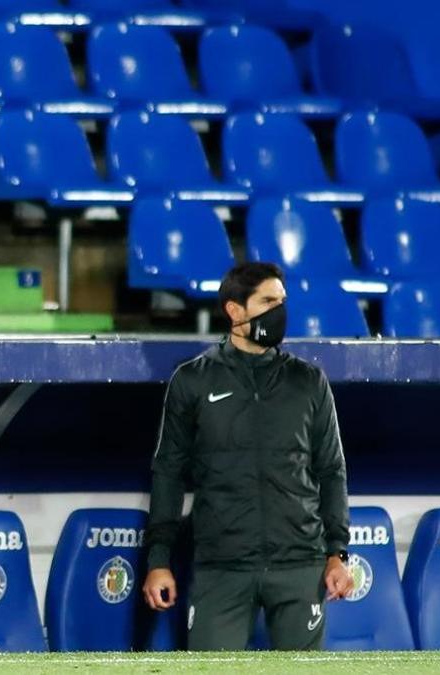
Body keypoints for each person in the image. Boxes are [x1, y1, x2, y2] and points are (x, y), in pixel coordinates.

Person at [141, 262, 354, 650]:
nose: (280, 311)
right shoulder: (193, 380)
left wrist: (337, 552)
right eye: (268, 301)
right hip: (221, 566)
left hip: (299, 564)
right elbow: (168, 473)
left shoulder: (308, 381)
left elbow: (331, 471)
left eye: (283, 301)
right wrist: (158, 561)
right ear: (235, 311)